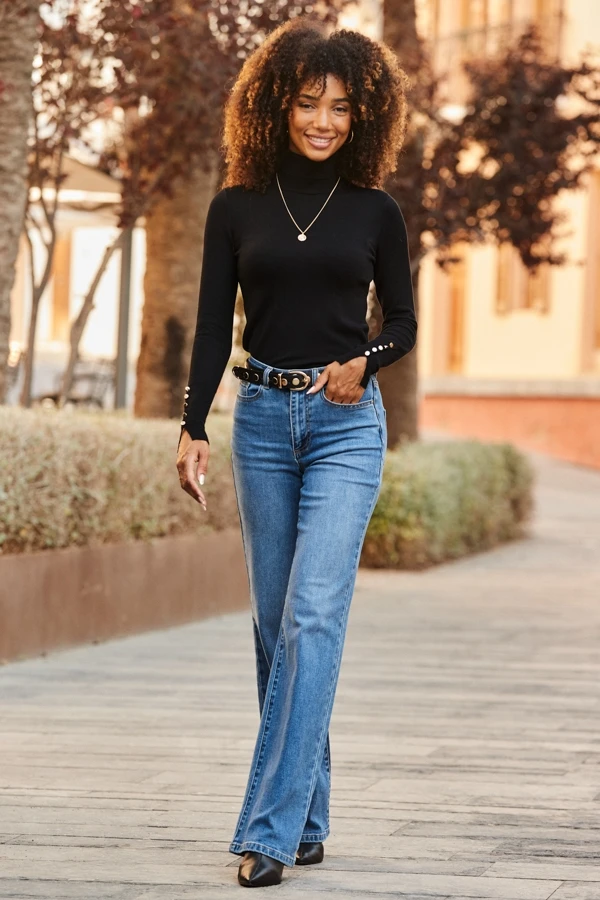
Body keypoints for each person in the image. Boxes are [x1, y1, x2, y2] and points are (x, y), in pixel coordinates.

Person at [176, 16, 417, 888]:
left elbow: (403, 322)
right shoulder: (235, 207)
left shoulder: (376, 211)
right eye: (310, 103)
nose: (324, 121)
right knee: (276, 626)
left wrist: (365, 361)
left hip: (347, 423)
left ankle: (269, 832)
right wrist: (192, 424)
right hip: (262, 425)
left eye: (341, 108)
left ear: (364, 117)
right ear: (277, 106)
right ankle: (309, 814)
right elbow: (213, 327)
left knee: (314, 615)